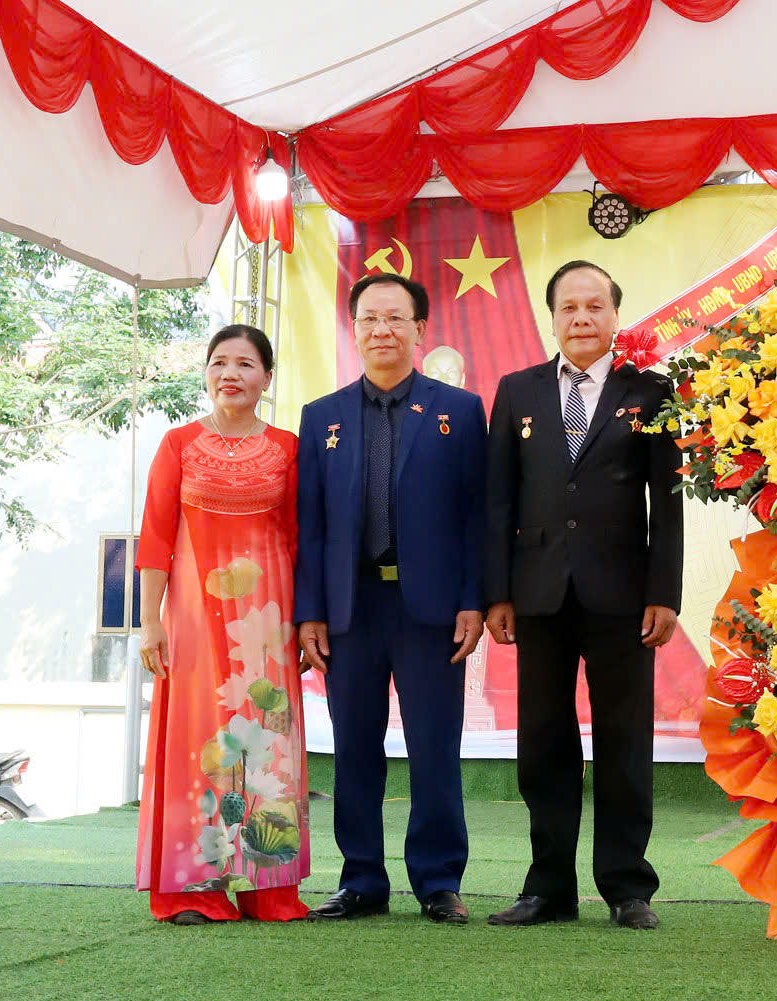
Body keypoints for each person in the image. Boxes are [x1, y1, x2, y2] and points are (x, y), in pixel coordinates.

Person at [484, 261, 683, 931]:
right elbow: (497, 500)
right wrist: (497, 593)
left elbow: (670, 502)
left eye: (595, 305)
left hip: (624, 595)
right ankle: (548, 887)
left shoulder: (652, 393)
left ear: (616, 316)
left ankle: (628, 887)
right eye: (569, 307)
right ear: (553, 317)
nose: (582, 318)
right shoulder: (517, 391)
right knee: (543, 740)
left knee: (625, 740)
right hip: (537, 592)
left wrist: (665, 592)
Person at [295, 273, 487, 924]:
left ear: (419, 329)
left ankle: (438, 880)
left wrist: (473, 598)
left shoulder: (459, 411)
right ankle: (361, 878)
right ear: (354, 329)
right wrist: (311, 611)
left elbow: (474, 516)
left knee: (435, 744)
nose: (381, 329)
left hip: (430, 608)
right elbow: (311, 526)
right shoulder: (321, 417)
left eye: (395, 318)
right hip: (351, 612)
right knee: (353, 745)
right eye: (369, 318)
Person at [136, 325, 309, 924]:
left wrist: (306, 620)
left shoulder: (289, 446)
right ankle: (191, 887)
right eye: (218, 362)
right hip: (190, 611)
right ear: (206, 373)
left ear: (267, 376)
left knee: (266, 737)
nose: (229, 373)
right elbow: (155, 539)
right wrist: (149, 623)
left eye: (244, 363)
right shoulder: (177, 443)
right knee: (197, 736)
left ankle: (270, 885)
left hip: (267, 616)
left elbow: (297, 537)